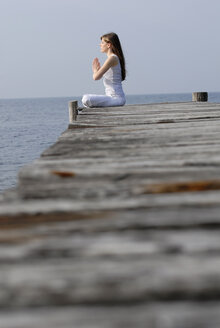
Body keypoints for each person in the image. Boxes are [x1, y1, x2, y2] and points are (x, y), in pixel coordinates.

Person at [82, 32, 126, 108]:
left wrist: (95, 71)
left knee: (86, 99)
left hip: (116, 98)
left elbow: (96, 77)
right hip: (112, 98)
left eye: (102, 43)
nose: (100, 45)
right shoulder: (113, 58)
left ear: (109, 45)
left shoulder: (112, 58)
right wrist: (97, 71)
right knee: (86, 99)